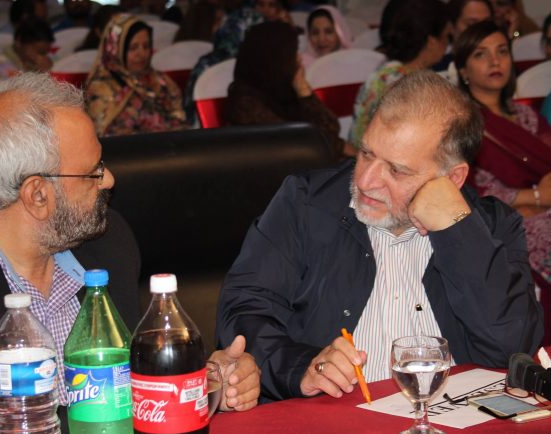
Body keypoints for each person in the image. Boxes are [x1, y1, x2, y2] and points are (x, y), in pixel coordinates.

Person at [0, 72, 261, 434]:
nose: (109, 180)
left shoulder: (108, 244)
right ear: (37, 195)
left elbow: (131, 379)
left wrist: (202, 383)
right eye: (93, 172)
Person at [215, 70, 543, 402]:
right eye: (366, 153)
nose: (366, 181)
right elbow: (245, 312)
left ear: (453, 178)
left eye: (396, 170)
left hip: (450, 416)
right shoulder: (305, 203)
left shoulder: (493, 227)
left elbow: (511, 348)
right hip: (336, 416)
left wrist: (458, 230)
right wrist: (302, 366)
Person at [454, 20, 551, 340]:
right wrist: (535, 197)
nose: (495, 61)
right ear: (464, 70)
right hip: (495, 222)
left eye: (502, 52)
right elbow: (470, 189)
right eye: (481, 54)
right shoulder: (461, 124)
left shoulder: (526, 116)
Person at [225, 21, 344, 161]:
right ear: (274, 56)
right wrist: (341, 146)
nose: (299, 58)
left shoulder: (282, 87)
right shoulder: (244, 102)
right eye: (292, 52)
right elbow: (306, 144)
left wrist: (304, 91)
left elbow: (331, 130)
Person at [348, 0, 451, 149]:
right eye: (447, 36)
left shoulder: (389, 72)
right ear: (431, 42)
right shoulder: (404, 83)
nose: (448, 44)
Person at [86, 14, 188, 136]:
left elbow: (179, 119)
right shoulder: (101, 87)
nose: (142, 53)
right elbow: (103, 135)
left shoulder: (161, 81)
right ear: (116, 50)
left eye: (146, 46)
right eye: (133, 48)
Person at [0, 17, 55, 88]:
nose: (41, 57)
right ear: (19, 42)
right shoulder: (2, 65)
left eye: (44, 52)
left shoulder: (31, 61)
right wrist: (43, 73)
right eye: (37, 51)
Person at [433, 0, 493, 72]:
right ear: (451, 26)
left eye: (487, 24)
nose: (481, 31)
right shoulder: (436, 69)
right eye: (472, 25)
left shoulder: (501, 64)